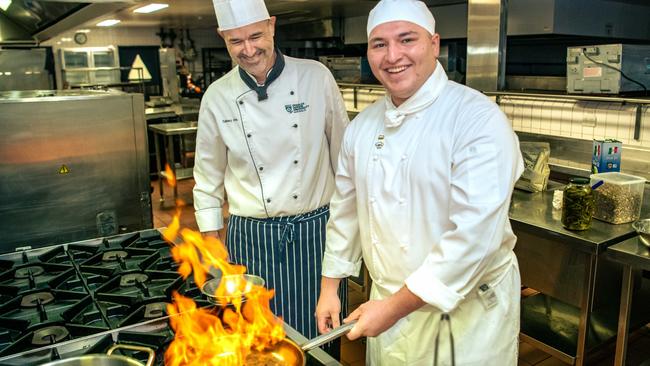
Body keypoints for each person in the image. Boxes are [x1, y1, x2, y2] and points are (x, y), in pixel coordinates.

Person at [315, 0, 524, 364]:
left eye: (406, 39)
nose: (392, 55)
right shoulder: (363, 126)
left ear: (434, 44)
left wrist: (393, 308)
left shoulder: (477, 119)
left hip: (465, 317)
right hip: (388, 308)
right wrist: (330, 287)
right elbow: (345, 211)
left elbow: (474, 238)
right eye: (379, 44)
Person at [192, 0, 349, 350]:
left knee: (321, 332)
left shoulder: (314, 77)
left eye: (255, 36)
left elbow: (344, 158)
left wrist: (349, 225)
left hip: (315, 234)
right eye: (235, 41)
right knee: (257, 342)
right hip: (251, 238)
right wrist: (211, 238)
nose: (248, 50)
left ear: (272, 26)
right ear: (223, 38)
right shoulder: (217, 97)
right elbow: (207, 176)